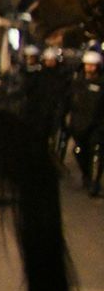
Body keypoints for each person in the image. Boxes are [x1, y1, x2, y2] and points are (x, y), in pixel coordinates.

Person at [66, 50, 104, 196]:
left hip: (97, 125)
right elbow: (69, 101)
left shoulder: (101, 83)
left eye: (93, 65)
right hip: (80, 124)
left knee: (97, 154)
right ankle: (86, 175)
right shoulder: (78, 82)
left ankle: (95, 182)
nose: (90, 68)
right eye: (87, 65)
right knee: (79, 152)